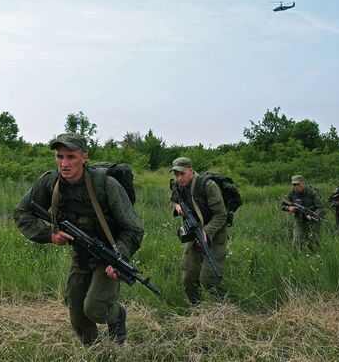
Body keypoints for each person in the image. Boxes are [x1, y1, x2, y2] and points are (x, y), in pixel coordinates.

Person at [13, 133, 144, 346]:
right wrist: (49, 234)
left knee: (95, 309)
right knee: (77, 314)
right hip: (80, 254)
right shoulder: (51, 182)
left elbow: (134, 229)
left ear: (84, 157)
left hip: (108, 254)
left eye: (71, 157)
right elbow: (21, 212)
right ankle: (96, 352)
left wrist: (119, 256)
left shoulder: (106, 185)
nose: (64, 164)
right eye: (59, 156)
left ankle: (117, 316)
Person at [169, 157, 228, 305]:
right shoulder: (178, 186)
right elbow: (172, 201)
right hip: (193, 231)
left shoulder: (208, 186)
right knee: (189, 277)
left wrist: (206, 231)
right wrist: (176, 207)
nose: (179, 178)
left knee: (209, 277)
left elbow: (221, 215)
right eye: (176, 174)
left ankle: (221, 308)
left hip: (214, 231)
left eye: (182, 174)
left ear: (191, 170)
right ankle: (198, 308)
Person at [281, 175, 324, 251]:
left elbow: (320, 207)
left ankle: (315, 258)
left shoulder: (312, 192)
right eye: (294, 184)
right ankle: (296, 258)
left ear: (303, 183)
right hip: (299, 220)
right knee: (297, 241)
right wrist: (289, 208)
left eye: (298, 184)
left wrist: (313, 214)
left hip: (313, 220)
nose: (296, 186)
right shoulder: (292, 194)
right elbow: (282, 205)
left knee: (314, 242)